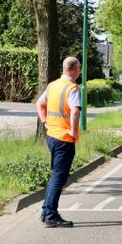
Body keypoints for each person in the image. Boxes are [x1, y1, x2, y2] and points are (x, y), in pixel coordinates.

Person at [36, 57, 82, 228]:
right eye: (79, 68)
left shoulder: (52, 85)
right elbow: (75, 111)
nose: (80, 71)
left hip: (52, 136)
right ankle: (50, 215)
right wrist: (72, 130)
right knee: (58, 178)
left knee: (55, 175)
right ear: (75, 69)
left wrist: (45, 122)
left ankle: (45, 210)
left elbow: (39, 104)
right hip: (64, 139)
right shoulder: (72, 88)